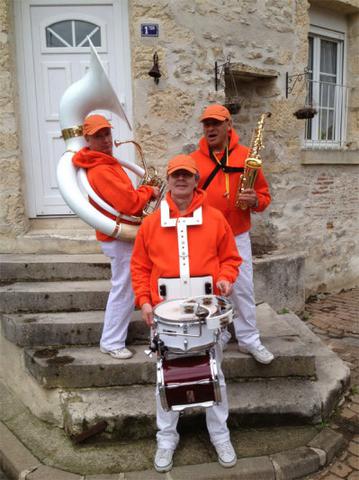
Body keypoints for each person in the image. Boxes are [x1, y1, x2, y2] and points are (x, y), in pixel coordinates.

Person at [131, 154, 241, 473]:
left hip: (204, 312)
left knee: (214, 374)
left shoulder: (216, 218)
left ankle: (220, 434)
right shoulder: (151, 223)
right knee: (165, 378)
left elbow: (230, 258)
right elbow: (139, 266)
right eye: (176, 175)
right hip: (164, 316)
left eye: (187, 175)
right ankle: (166, 438)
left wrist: (225, 278)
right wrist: (144, 301)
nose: (181, 180)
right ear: (169, 180)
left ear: (195, 180)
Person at [190, 104, 274, 365]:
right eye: (206, 124)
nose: (210, 128)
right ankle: (222, 333)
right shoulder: (193, 161)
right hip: (205, 237)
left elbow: (265, 197)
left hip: (237, 235)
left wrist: (254, 201)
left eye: (216, 123)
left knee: (243, 288)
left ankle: (249, 339)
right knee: (213, 289)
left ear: (228, 126)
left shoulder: (248, 157)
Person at [72, 114, 160, 360]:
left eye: (107, 134)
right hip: (119, 237)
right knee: (124, 289)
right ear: (87, 139)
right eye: (98, 136)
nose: (105, 140)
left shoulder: (104, 162)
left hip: (120, 235)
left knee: (127, 287)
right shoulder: (101, 168)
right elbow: (129, 203)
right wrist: (148, 191)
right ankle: (111, 341)